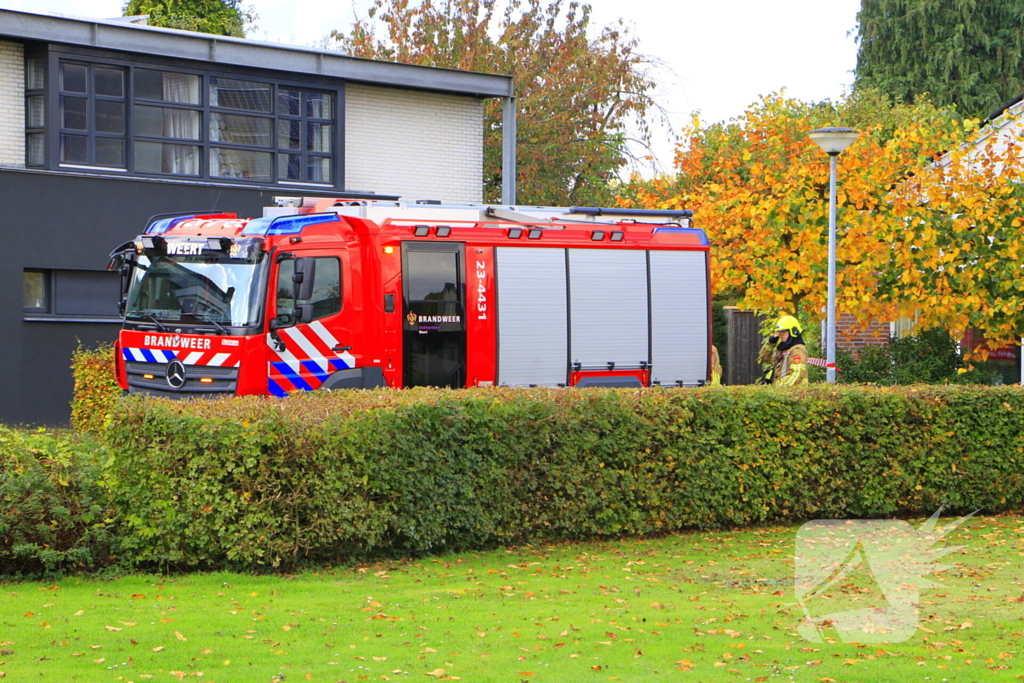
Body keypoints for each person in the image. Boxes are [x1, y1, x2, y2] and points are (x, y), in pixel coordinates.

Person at [757, 315, 809, 385]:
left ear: (793, 332)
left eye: (784, 331)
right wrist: (772, 342)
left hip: (792, 393)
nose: (781, 334)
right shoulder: (782, 350)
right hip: (780, 392)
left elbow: (798, 373)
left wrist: (784, 389)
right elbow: (764, 357)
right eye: (779, 332)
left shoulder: (797, 350)